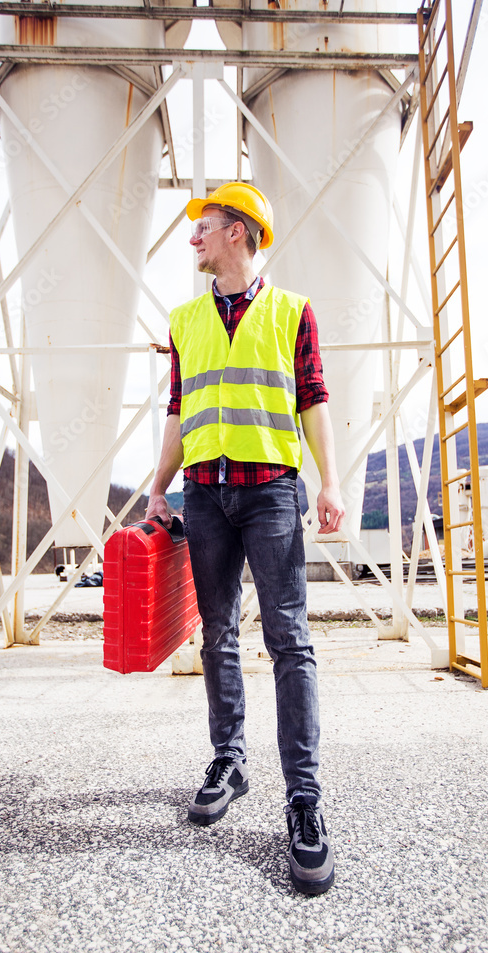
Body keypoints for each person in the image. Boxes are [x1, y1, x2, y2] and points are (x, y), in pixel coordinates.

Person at [145, 182, 345, 895]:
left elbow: (312, 398)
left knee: (288, 639)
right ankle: (228, 761)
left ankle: (303, 800)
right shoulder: (184, 319)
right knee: (217, 634)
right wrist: (157, 485)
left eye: (203, 227)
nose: (192, 239)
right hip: (203, 494)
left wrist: (328, 482)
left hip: (269, 491)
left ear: (237, 233)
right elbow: (178, 410)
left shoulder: (293, 310)